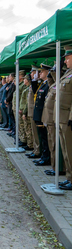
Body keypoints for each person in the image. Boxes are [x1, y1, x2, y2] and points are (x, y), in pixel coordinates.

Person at [58, 47, 72, 190]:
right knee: (66, 151)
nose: (65, 61)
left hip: (68, 118)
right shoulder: (68, 73)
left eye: (68, 58)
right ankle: (69, 178)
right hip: (62, 118)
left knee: (70, 150)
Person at [32, 65, 51, 166]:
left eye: (42, 72)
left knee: (45, 138)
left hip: (43, 115)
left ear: (48, 72)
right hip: (39, 114)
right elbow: (35, 92)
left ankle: (46, 157)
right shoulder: (43, 84)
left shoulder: (48, 84)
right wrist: (34, 81)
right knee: (42, 137)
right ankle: (43, 156)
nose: (39, 74)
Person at [25, 66, 42, 159]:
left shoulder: (39, 83)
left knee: (36, 133)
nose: (31, 75)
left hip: (35, 111)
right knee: (34, 132)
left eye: (32, 73)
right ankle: (35, 150)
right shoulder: (34, 83)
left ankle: (38, 151)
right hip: (31, 111)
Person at [19, 74, 34, 151]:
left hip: (27, 111)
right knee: (26, 127)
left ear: (28, 80)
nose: (24, 80)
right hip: (24, 110)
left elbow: (27, 102)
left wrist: (24, 112)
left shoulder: (29, 89)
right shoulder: (27, 88)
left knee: (28, 128)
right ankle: (28, 143)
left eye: (25, 79)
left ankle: (30, 144)